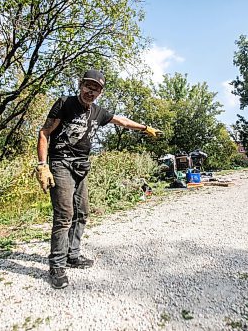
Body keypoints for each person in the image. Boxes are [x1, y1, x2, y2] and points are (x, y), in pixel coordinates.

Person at [35, 69, 162, 289]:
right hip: (61, 163)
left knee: (82, 212)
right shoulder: (65, 103)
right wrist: (42, 165)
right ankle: (56, 266)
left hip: (81, 166)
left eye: (96, 89)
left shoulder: (98, 112)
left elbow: (120, 121)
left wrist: (144, 127)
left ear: (100, 92)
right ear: (81, 85)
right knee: (65, 215)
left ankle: (72, 255)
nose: (90, 91)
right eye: (88, 86)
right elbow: (44, 133)